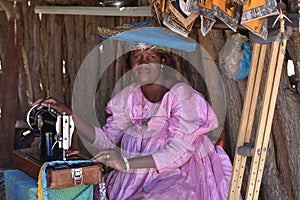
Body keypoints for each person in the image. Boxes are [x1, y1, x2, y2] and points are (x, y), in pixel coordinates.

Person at [34, 39, 233, 199]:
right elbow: (106, 140)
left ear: (163, 62)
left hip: (180, 174)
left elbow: (177, 154)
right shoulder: (128, 97)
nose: (143, 63)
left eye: (151, 56)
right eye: (137, 56)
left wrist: (127, 164)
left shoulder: (182, 95)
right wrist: (68, 113)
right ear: (129, 63)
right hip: (134, 175)